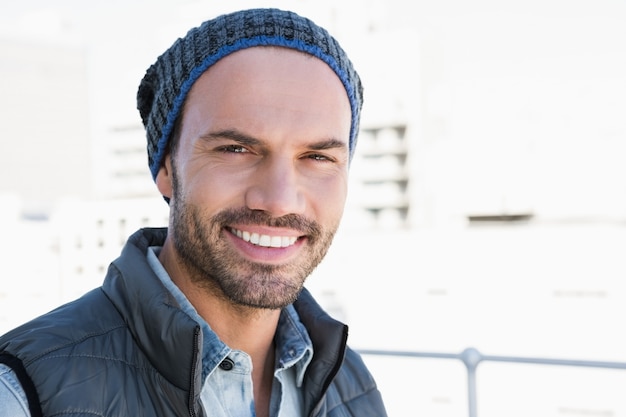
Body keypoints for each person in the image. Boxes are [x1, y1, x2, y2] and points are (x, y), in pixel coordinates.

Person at [0, 7, 387, 417]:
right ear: (166, 167)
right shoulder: (24, 393)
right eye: (236, 150)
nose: (279, 200)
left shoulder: (352, 385)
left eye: (317, 157)